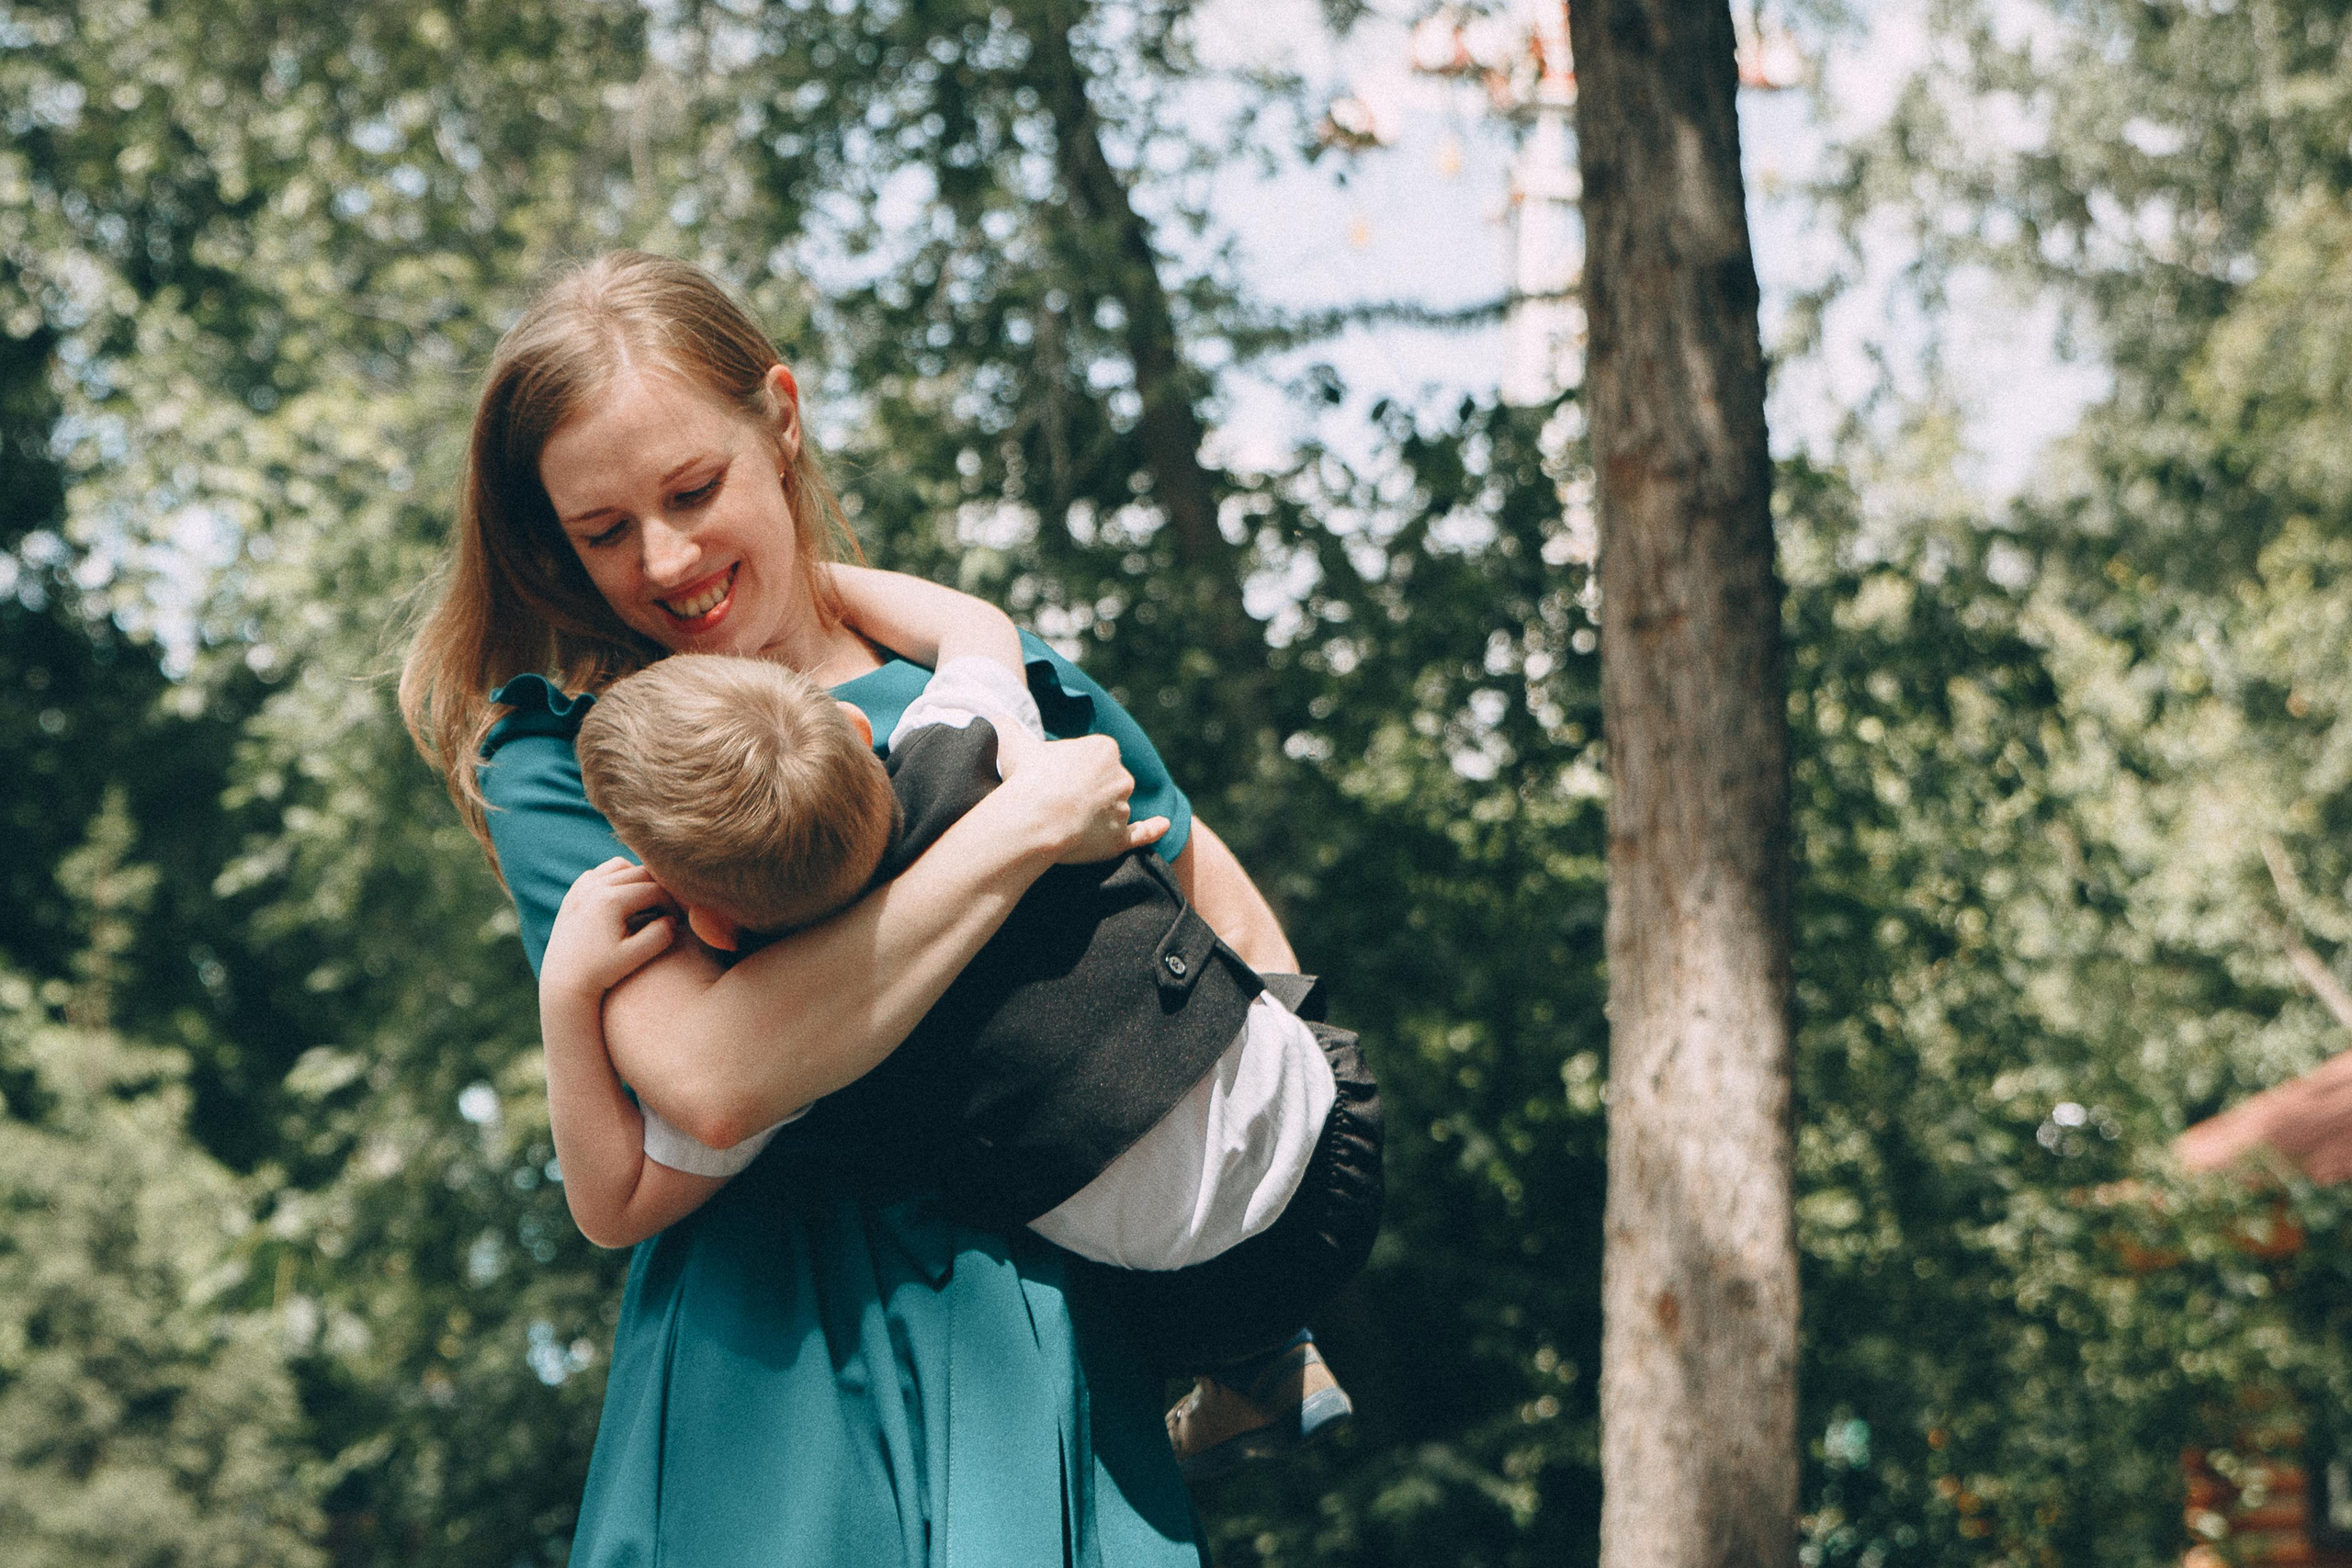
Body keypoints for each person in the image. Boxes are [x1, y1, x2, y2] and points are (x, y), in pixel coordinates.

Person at [397, 249, 1310, 1565]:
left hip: (1036, 1343)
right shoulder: (578, 762)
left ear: (781, 417)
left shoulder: (981, 676)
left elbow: (1221, 911)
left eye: (693, 490)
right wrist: (1009, 833)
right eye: (604, 532)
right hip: (764, 1375)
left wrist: (1258, 1247)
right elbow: (715, 1077)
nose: (665, 558)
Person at [541, 632, 1381, 1472]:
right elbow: (975, 623)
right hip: (1334, 1134)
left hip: (1195, 1301)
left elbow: (613, 1206)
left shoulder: (806, 1031)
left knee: (1042, 1243)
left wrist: (568, 991)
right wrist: (828, 586)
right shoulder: (963, 740)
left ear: (713, 922)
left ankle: (1253, 1369)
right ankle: (1266, 1362)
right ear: (852, 726)